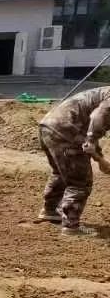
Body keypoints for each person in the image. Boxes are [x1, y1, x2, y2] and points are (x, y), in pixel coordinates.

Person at [36, 86, 110, 235]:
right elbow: (97, 118)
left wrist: (99, 158)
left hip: (49, 127)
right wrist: (92, 142)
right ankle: (71, 226)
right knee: (80, 181)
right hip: (67, 131)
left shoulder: (105, 93)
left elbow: (89, 130)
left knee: (60, 172)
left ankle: (49, 210)